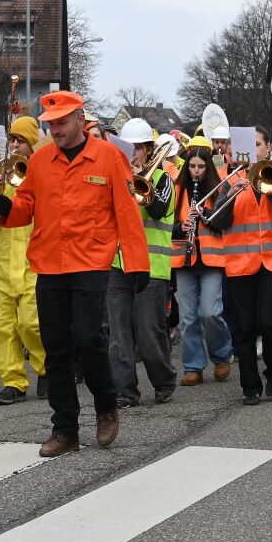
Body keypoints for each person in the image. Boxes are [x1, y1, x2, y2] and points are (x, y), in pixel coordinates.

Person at [0, 91, 150, 457]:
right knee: (56, 348)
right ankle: (65, 429)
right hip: (49, 261)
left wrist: (137, 262)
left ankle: (106, 406)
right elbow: (28, 204)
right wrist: (8, 208)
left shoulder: (110, 157)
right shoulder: (41, 159)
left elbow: (127, 212)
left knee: (88, 339)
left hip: (92, 261)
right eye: (51, 124)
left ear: (81, 119)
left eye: (63, 122)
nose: (57, 129)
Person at [208, 142, 272, 405]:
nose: (252, 148)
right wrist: (230, 196)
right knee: (245, 328)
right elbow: (217, 221)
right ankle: (250, 386)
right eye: (249, 143)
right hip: (240, 264)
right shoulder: (231, 180)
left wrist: (271, 188)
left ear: (267, 150)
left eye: (257, 144)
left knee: (270, 323)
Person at [106, 118, 177, 408]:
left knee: (149, 331)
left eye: (138, 148)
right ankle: (125, 390)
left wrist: (139, 182)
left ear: (149, 150)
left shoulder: (163, 179)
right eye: (128, 148)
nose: (132, 154)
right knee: (118, 334)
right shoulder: (115, 177)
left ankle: (163, 381)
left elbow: (159, 209)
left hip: (152, 265)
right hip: (117, 264)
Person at [0, 117, 47, 405]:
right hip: (2, 261)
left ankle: (47, 370)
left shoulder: (43, 172)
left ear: (32, 145)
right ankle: (13, 381)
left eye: (20, 140)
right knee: (2, 325)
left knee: (33, 323)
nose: (15, 144)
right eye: (12, 139)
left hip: (33, 259)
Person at [170, 139, 234, 385]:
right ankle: (193, 366)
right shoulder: (177, 191)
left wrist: (204, 215)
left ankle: (221, 356)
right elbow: (166, 224)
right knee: (187, 318)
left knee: (211, 312)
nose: (196, 171)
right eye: (192, 166)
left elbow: (224, 222)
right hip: (184, 260)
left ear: (208, 168)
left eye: (201, 167)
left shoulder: (217, 189)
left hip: (211, 260)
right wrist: (180, 226)